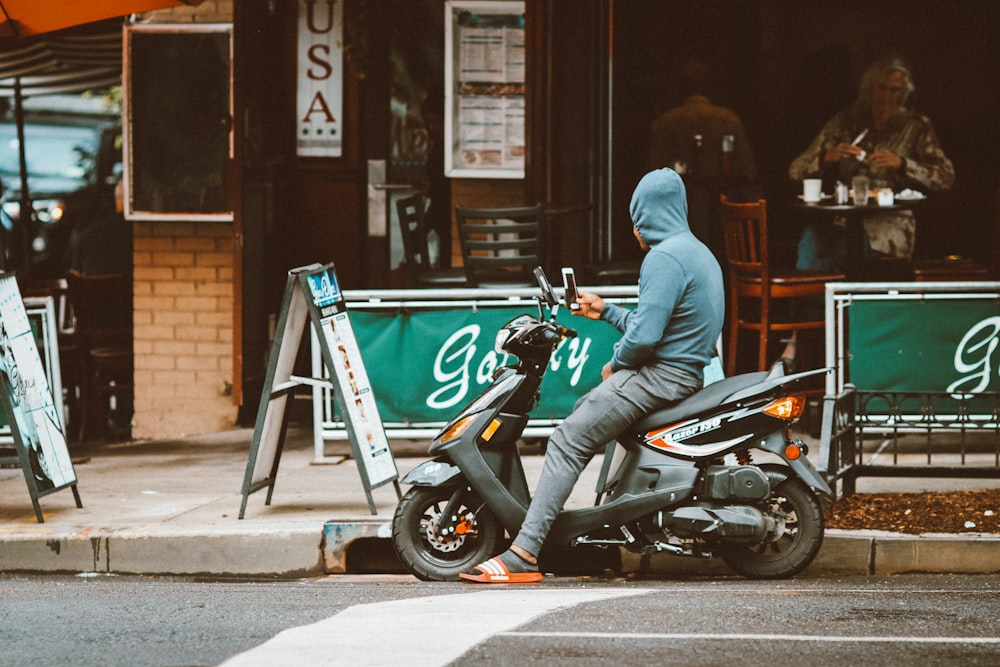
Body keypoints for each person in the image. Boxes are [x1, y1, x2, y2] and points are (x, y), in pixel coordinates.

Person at [460, 168, 725, 583]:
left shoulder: (663, 258)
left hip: (662, 376)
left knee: (568, 438)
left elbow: (645, 339)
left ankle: (525, 551)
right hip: (684, 372)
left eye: (635, 218)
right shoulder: (696, 251)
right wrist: (605, 311)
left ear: (645, 217)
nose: (634, 228)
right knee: (588, 409)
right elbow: (657, 323)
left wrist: (615, 363)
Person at [788, 54, 955, 272]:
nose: (886, 96)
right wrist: (827, 157)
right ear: (869, 89)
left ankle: (826, 304)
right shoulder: (845, 123)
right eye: (881, 88)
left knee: (834, 255)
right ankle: (816, 302)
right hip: (844, 221)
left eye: (893, 90)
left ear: (904, 94)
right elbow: (795, 170)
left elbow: (946, 177)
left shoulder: (916, 127)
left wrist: (903, 164)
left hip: (889, 225)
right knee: (811, 241)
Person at [649, 59, 759, 264]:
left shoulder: (665, 122)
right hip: (725, 211)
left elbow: (653, 175)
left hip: (677, 212)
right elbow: (748, 170)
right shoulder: (729, 119)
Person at [68, 179, 132, 276]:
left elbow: (75, 275)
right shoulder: (138, 235)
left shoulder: (88, 234)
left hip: (93, 290)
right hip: (129, 290)